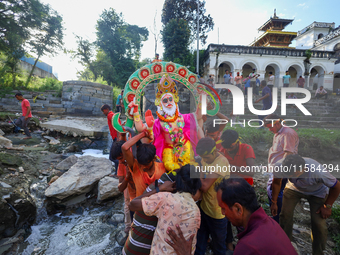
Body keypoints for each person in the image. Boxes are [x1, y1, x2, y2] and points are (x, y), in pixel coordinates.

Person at [128, 74, 200, 172]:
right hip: (169, 151)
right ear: (160, 104)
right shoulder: (158, 122)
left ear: (175, 101)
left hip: (185, 148)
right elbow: (140, 128)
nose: (169, 102)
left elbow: (199, 115)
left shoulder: (184, 118)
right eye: (165, 100)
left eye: (171, 99)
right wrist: (136, 113)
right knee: (171, 167)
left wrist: (203, 99)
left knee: (191, 168)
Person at [129, 164, 202, 255]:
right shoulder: (197, 212)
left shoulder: (165, 198)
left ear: (175, 183)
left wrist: (159, 189)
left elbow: (132, 204)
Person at [275, 155, 340, 255]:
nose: (291, 176)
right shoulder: (280, 165)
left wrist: (328, 206)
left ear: (303, 169)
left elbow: (336, 186)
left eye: (294, 174)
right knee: (285, 215)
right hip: (293, 189)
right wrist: (274, 202)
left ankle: (318, 252)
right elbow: (276, 183)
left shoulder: (318, 171)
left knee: (318, 223)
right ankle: (286, 245)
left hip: (317, 193)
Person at [215, 178, 298, 255]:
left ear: (238, 209)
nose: (222, 213)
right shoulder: (270, 222)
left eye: (223, 208)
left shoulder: (247, 247)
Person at [195, 137, 230, 255]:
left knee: (219, 245)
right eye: (202, 158)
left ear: (214, 151)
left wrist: (199, 170)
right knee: (200, 241)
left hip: (217, 213)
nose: (204, 160)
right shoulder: (206, 158)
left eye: (206, 158)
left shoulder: (221, 162)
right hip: (204, 208)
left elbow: (204, 186)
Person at [264, 114, 299, 224]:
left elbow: (288, 153)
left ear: (277, 123)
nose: (270, 130)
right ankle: (277, 218)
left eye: (270, 127)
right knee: (274, 191)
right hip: (276, 168)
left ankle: (278, 219)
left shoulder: (287, 133)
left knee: (275, 191)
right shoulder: (278, 132)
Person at [122, 130, 166, 198]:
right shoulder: (135, 166)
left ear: (154, 159)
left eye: (146, 164)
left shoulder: (163, 168)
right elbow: (124, 147)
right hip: (140, 207)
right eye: (141, 164)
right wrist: (143, 134)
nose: (142, 167)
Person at [110, 139, 136, 233]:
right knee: (127, 205)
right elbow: (121, 182)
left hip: (137, 188)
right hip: (128, 187)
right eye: (118, 160)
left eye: (121, 158)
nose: (120, 161)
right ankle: (128, 226)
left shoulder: (134, 159)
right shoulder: (122, 164)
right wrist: (127, 178)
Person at [101, 104, 119, 177]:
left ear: (106, 109)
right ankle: (117, 173)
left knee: (112, 157)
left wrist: (118, 137)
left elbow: (117, 125)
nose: (103, 113)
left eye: (103, 111)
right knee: (116, 156)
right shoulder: (113, 115)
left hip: (116, 138)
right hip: (116, 138)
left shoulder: (110, 115)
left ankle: (120, 171)